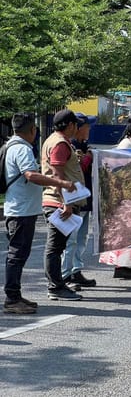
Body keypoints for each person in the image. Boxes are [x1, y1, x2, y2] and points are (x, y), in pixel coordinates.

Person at [4, 113, 76, 313]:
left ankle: (15, 296)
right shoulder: (21, 149)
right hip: (21, 211)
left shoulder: (13, 146)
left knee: (18, 255)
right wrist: (59, 182)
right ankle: (12, 299)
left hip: (20, 209)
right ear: (32, 130)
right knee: (16, 256)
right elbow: (30, 175)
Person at [41, 110, 88, 301]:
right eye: (75, 124)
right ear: (70, 126)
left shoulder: (56, 140)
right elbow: (58, 175)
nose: (77, 128)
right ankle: (55, 286)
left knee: (58, 246)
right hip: (58, 202)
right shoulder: (59, 143)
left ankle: (57, 284)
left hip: (59, 201)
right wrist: (66, 202)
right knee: (55, 247)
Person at [100, 115, 131, 279]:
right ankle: (121, 266)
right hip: (123, 194)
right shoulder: (126, 146)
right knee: (123, 230)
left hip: (130, 193)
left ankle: (128, 264)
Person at [61, 113, 96, 288]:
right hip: (72, 198)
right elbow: (76, 169)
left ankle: (76, 270)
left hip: (85, 197)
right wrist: (88, 157)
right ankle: (64, 274)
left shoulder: (84, 145)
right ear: (77, 127)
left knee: (82, 237)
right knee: (70, 238)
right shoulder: (71, 145)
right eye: (87, 126)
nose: (89, 129)